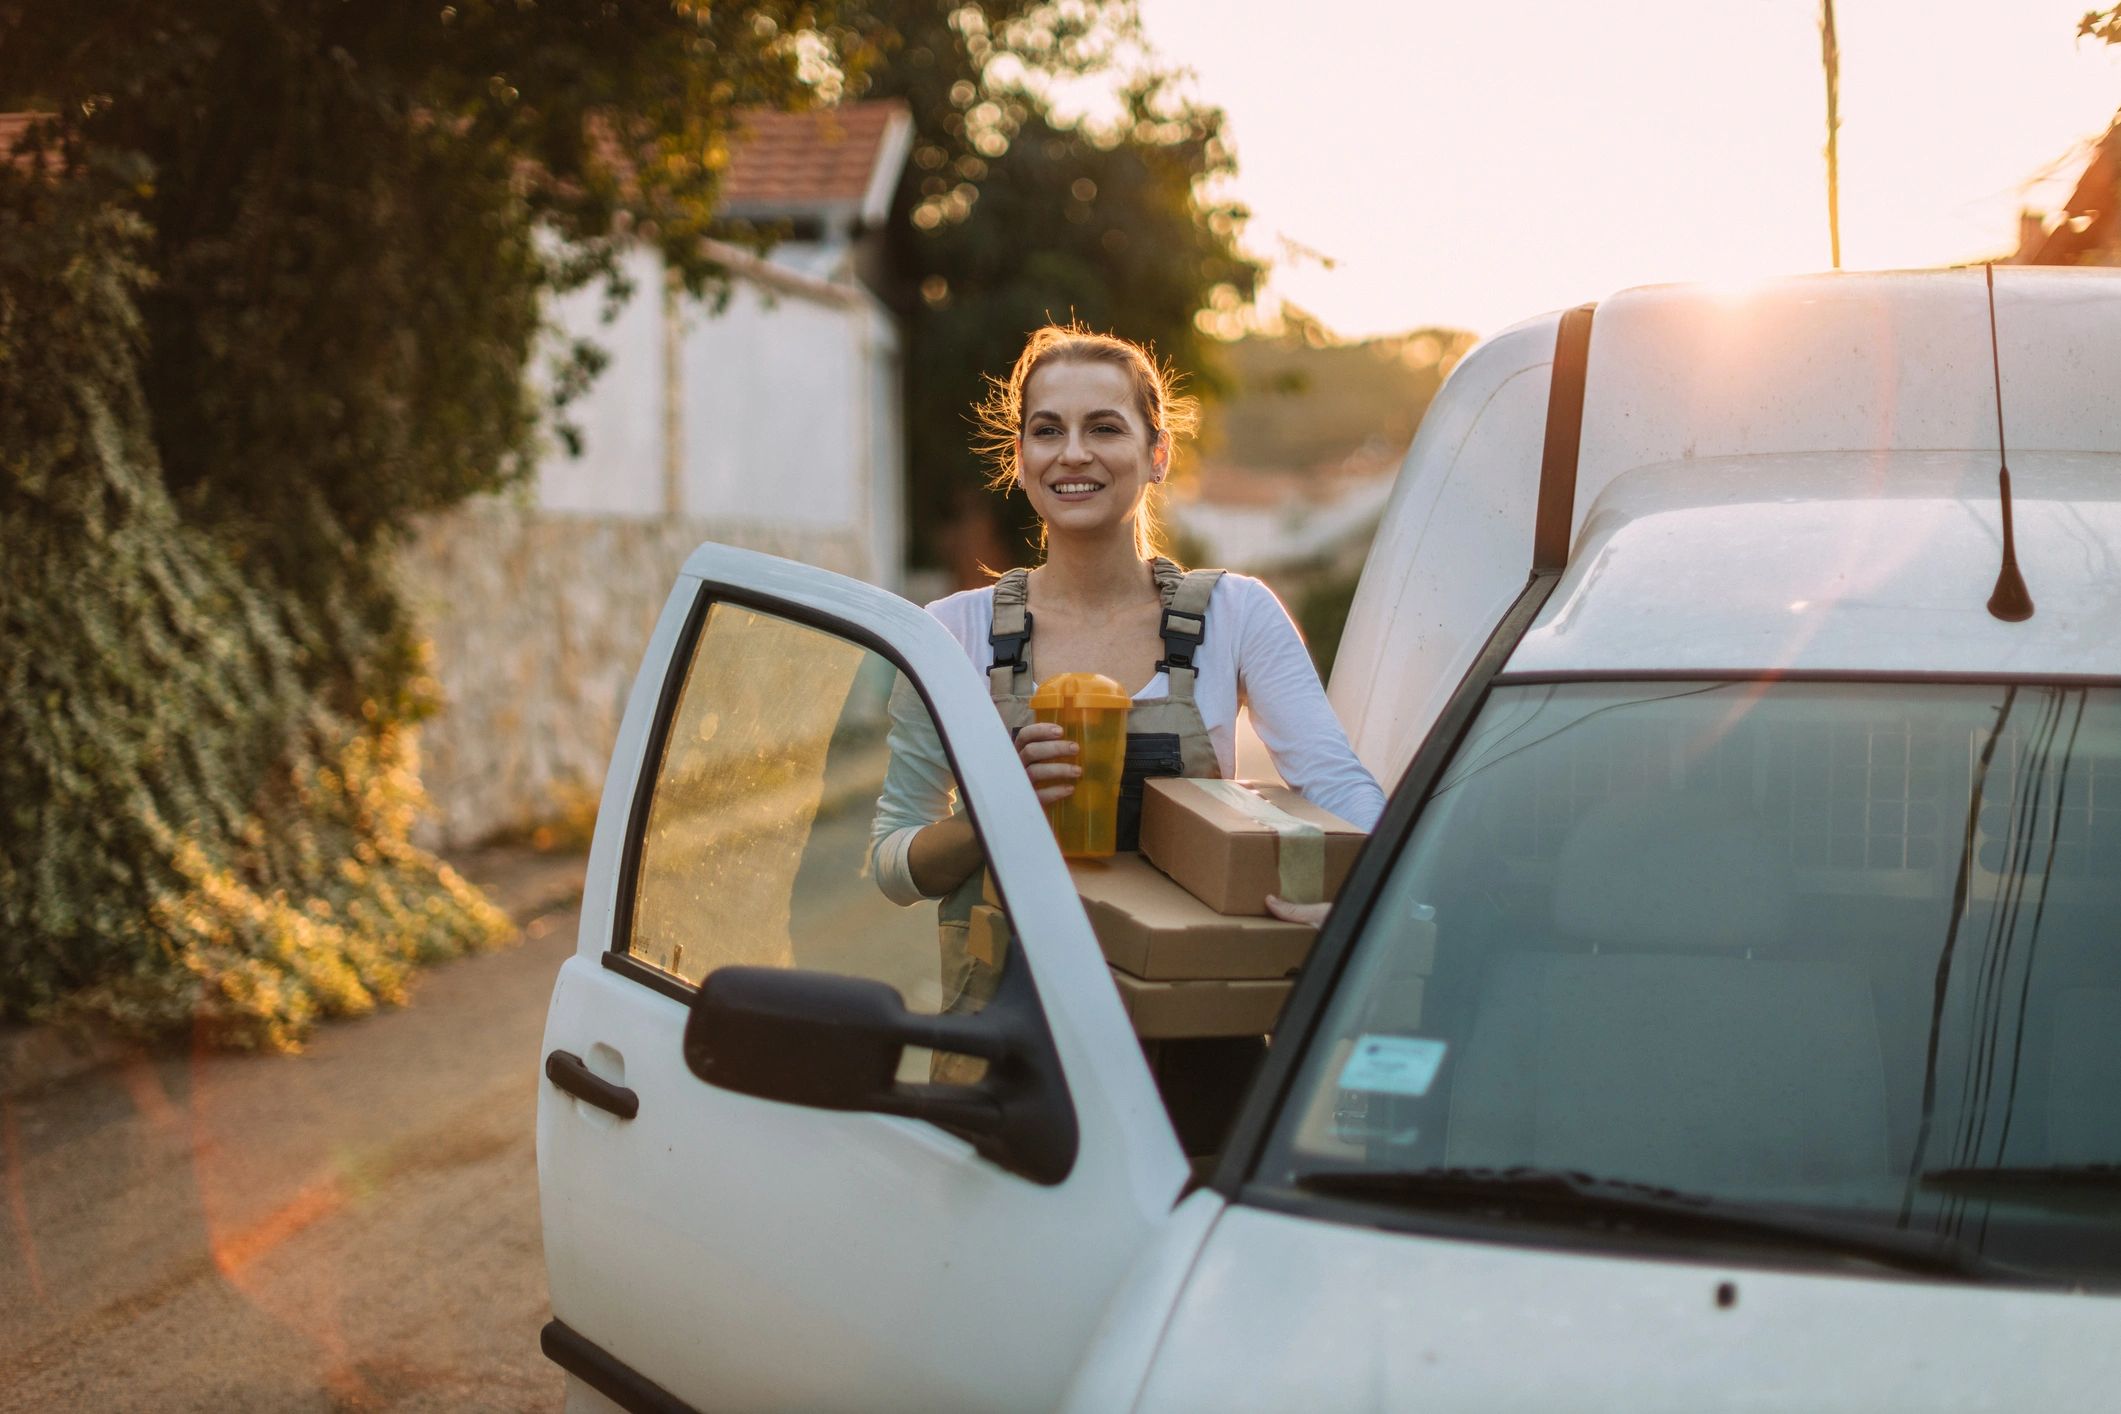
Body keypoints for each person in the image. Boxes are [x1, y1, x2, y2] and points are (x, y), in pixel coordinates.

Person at [871, 323, 1385, 1151]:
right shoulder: (951, 633)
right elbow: (894, 862)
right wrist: (995, 811)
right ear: (1020, 456)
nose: (1072, 453)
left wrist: (1362, 897)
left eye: (1104, 427)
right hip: (1013, 1046)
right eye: (1047, 430)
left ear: (1157, 453)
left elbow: (1337, 785)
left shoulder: (1233, 613)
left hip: (1199, 1043)